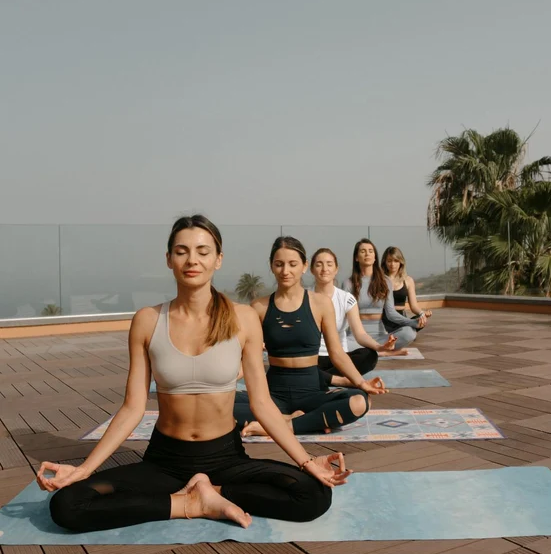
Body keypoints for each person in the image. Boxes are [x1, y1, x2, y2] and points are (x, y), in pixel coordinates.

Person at [37, 215, 352, 533]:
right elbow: (133, 407)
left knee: (313, 495)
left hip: (227, 458)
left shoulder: (243, 319)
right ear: (169, 259)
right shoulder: (148, 320)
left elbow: (262, 404)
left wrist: (307, 462)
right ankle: (190, 503)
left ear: (218, 259)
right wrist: (86, 469)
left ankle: (212, 492)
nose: (192, 260)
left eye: (203, 251)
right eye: (182, 251)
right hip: (165, 460)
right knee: (68, 505)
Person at [234, 236, 387, 437]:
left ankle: (283, 425)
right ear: (272, 266)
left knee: (360, 401)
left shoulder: (320, 304)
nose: (285, 271)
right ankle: (291, 419)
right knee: (216, 403)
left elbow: (337, 353)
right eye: (279, 264)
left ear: (304, 266)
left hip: (312, 390)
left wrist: (360, 383)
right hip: (271, 393)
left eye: (292, 264)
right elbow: (246, 359)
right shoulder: (259, 307)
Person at [310, 248, 396, 388]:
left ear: (336, 269)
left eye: (329, 264)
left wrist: (380, 347)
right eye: (319, 264)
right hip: (312, 358)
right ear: (312, 269)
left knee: (369, 355)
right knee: (292, 364)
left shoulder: (346, 299)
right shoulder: (303, 298)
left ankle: (319, 378)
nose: (324, 269)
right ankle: (333, 379)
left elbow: (360, 334)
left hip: (338, 358)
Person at [343, 239, 426, 354]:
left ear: (375, 257)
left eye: (370, 251)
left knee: (409, 333)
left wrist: (412, 322)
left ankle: (376, 350)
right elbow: (344, 315)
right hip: (356, 337)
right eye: (363, 251)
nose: (367, 254)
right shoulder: (349, 283)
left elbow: (391, 313)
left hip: (380, 336)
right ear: (356, 258)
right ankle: (384, 352)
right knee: (341, 344)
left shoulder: (385, 281)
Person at [381, 247, 432, 333]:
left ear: (401, 262)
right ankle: (404, 332)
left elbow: (414, 306)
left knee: (420, 320)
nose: (392, 264)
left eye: (396, 261)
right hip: (384, 318)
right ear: (385, 262)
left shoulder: (408, 280)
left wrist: (422, 313)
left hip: (402, 318)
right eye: (389, 261)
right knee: (407, 330)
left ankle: (404, 331)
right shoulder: (380, 280)